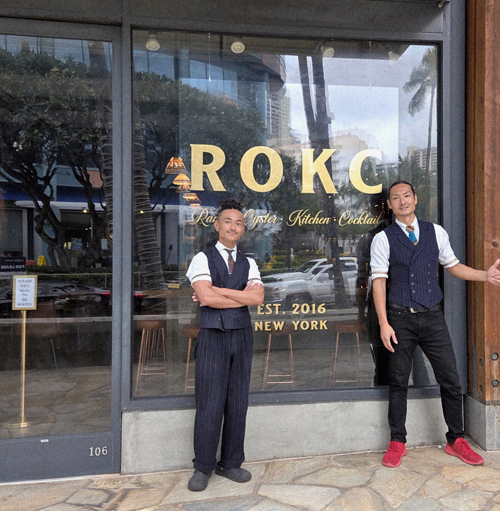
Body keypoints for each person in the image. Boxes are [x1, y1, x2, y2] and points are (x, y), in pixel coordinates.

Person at [370, 181, 500, 468]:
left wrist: (485, 276)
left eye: (407, 196)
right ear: (389, 205)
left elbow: (453, 266)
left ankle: (456, 440)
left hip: (432, 318)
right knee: (398, 381)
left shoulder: (436, 232)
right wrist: (384, 323)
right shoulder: (383, 239)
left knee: (450, 379)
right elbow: (378, 281)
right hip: (400, 318)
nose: (402, 201)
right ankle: (397, 441)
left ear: (415, 199)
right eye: (396, 198)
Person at [185, 199, 264, 491]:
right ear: (217, 226)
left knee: (238, 402)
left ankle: (231, 462)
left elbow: (257, 298)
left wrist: (218, 290)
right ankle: (203, 467)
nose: (233, 226)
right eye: (228, 221)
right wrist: (236, 296)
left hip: (242, 335)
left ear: (243, 229)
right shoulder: (202, 259)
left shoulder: (249, 263)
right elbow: (205, 298)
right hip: (213, 335)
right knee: (209, 402)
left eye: (238, 223)